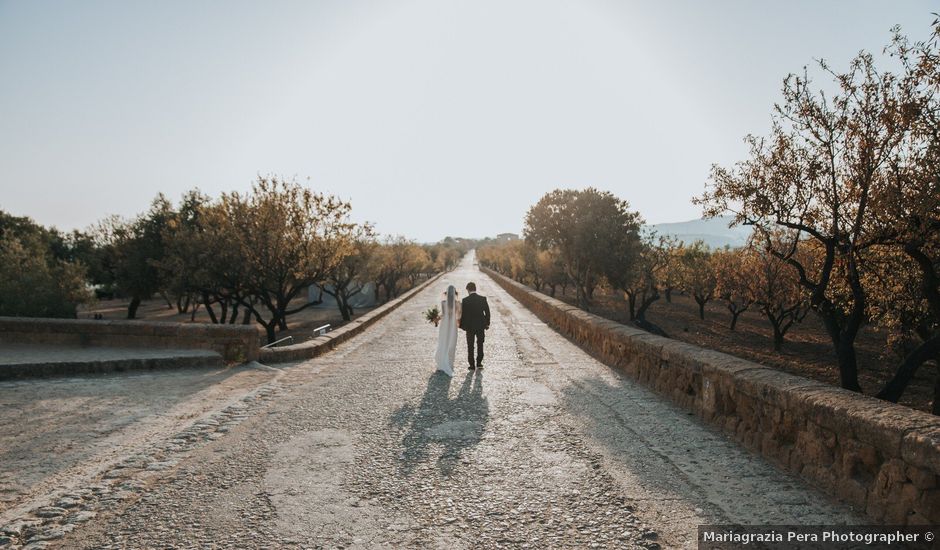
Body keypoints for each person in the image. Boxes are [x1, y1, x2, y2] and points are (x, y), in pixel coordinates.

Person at [459, 281, 490, 370]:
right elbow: (487, 312)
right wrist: (487, 324)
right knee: (480, 344)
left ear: (468, 290)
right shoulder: (482, 299)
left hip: (469, 327)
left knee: (470, 345)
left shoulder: (465, 300)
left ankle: (472, 365)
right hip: (480, 325)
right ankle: (479, 363)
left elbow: (463, 315)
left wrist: (462, 326)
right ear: (475, 289)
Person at [434, 285, 460, 376]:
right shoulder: (457, 303)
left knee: (443, 341)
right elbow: (459, 317)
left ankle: (442, 362)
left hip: (444, 325)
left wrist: (436, 319)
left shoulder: (443, 303)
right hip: (453, 326)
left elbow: (443, 315)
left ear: (447, 293)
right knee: (452, 343)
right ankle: (449, 363)